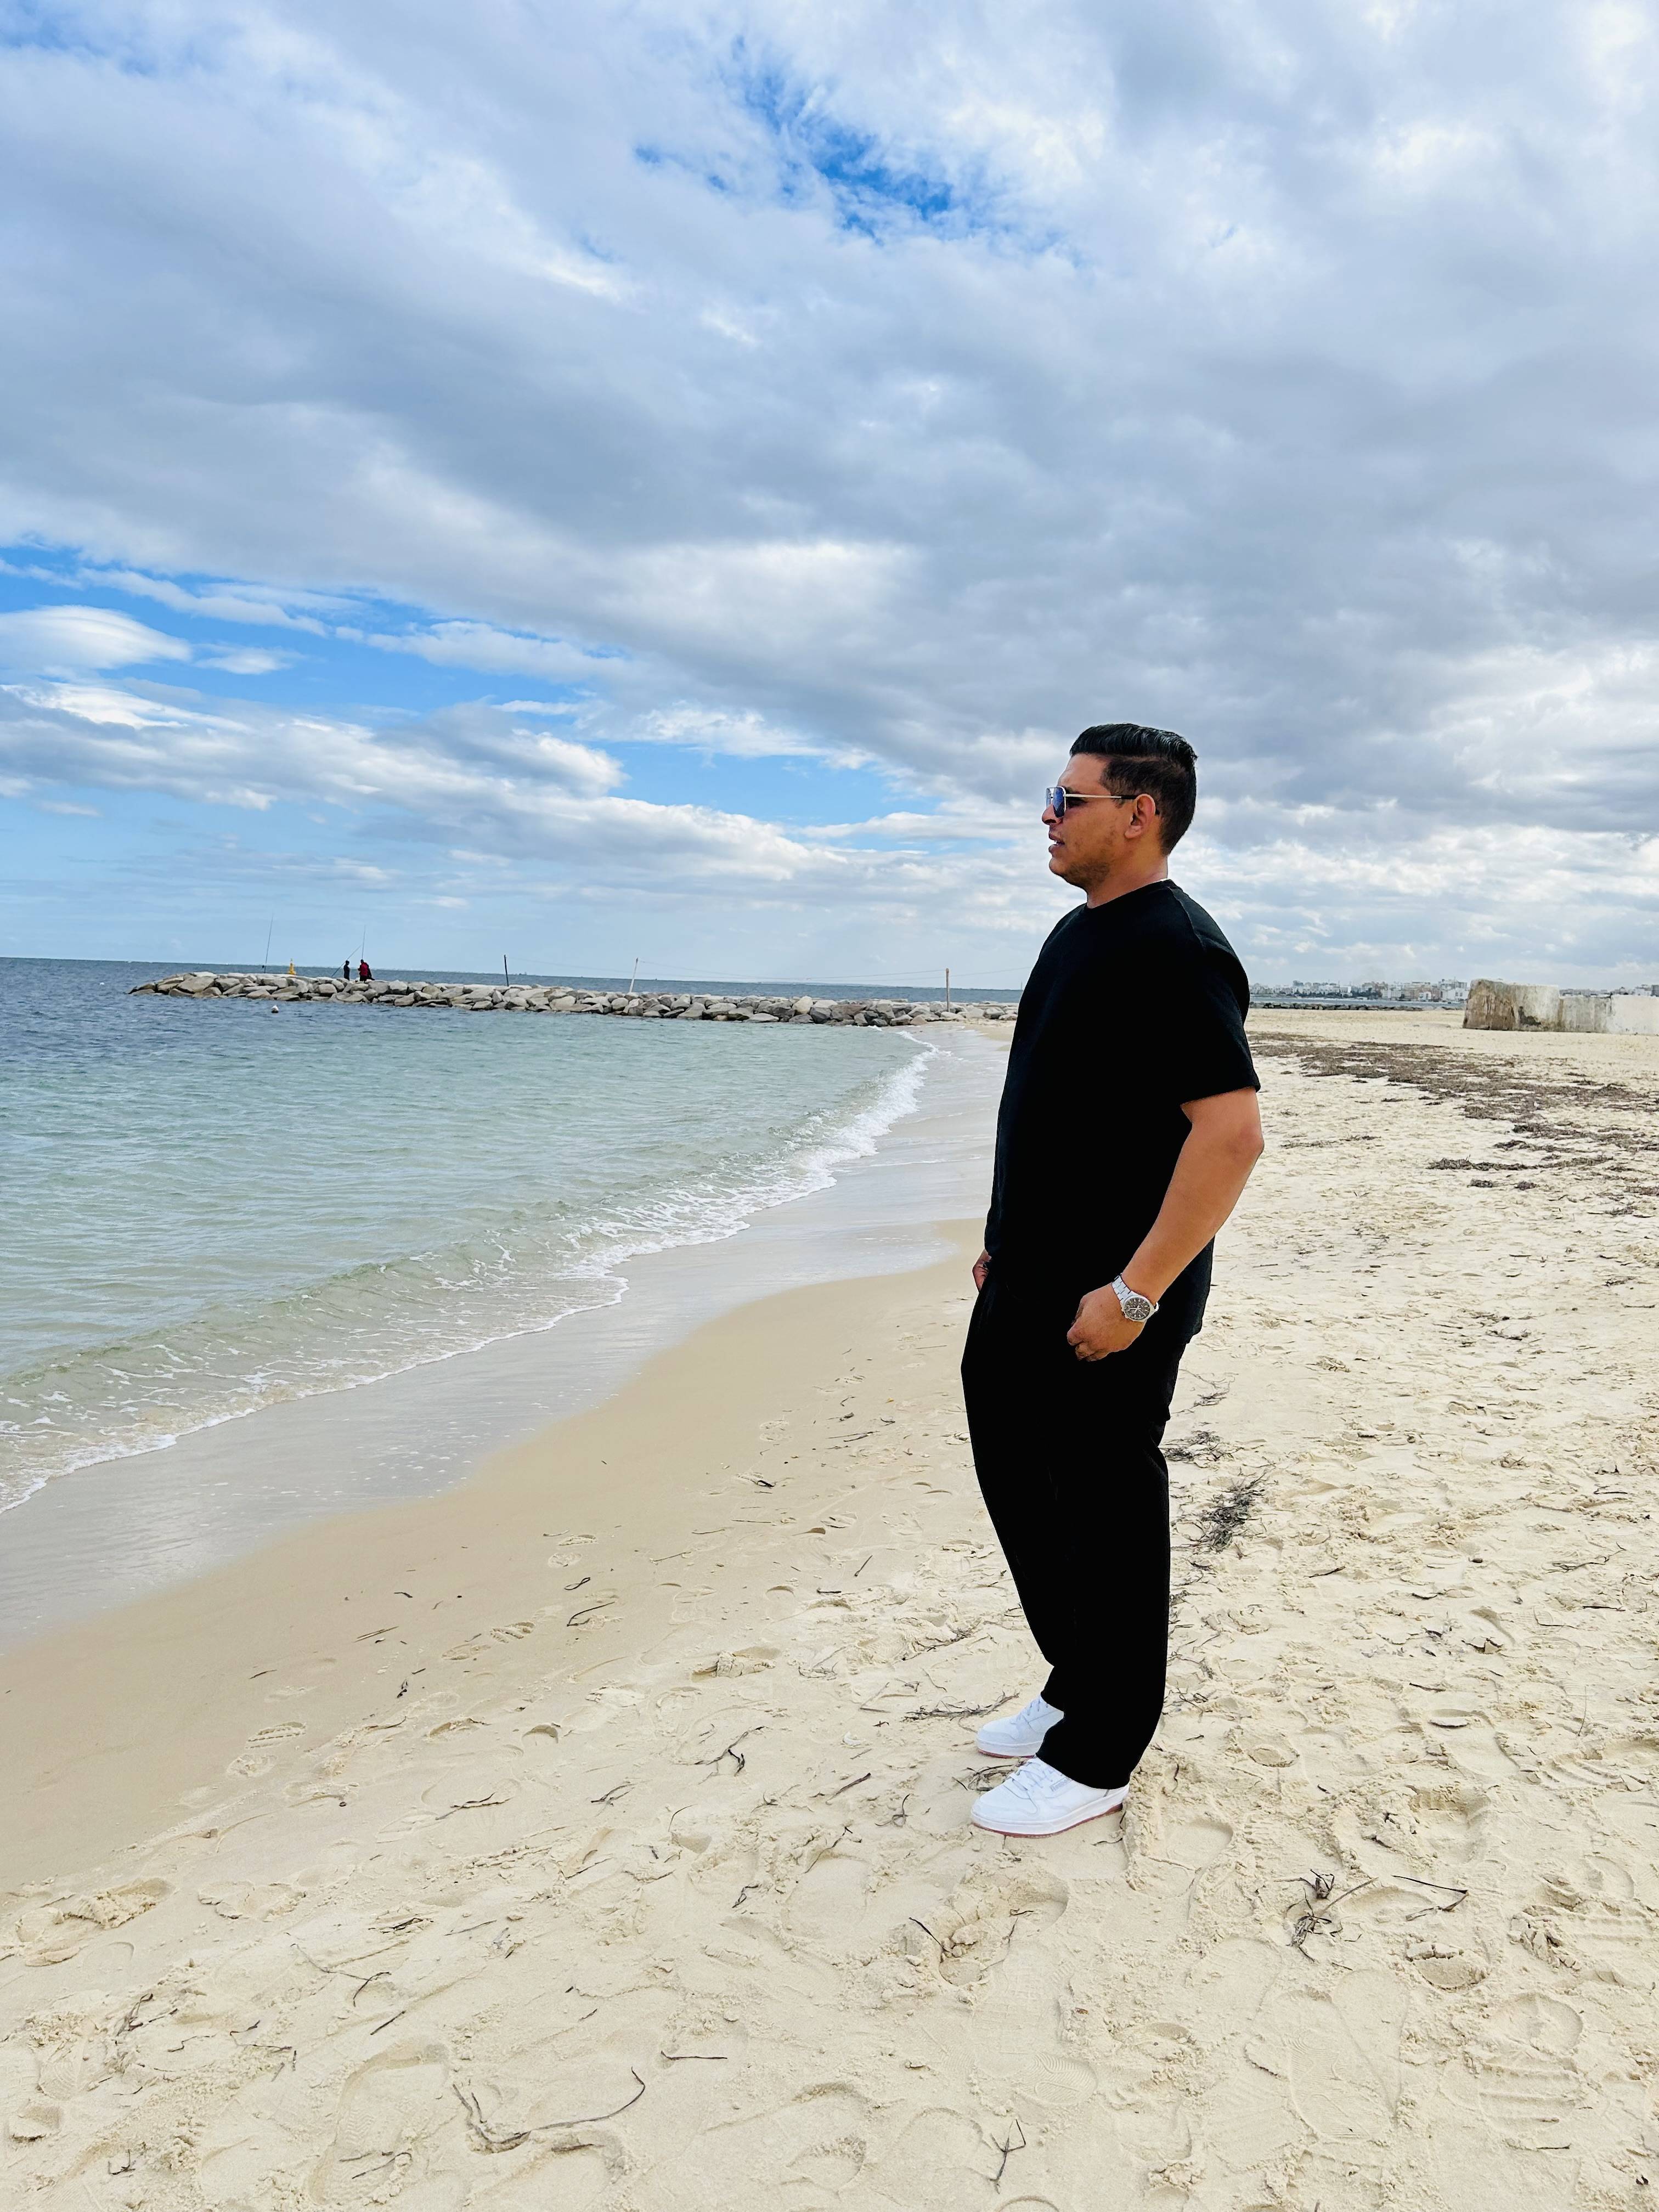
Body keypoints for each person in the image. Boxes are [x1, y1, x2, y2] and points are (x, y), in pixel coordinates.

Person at [962, 724, 1264, 1838]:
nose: (1048, 815)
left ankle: (1101, 1754)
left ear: (1140, 813)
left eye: (1070, 798)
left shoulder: (1176, 948)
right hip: (1029, 1277)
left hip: (1114, 1298)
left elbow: (1230, 1135)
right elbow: (1052, 1106)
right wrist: (1002, 1236)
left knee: (1104, 1506)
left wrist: (1136, 1293)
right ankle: (1077, 1678)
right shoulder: (1077, 931)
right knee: (1020, 1476)